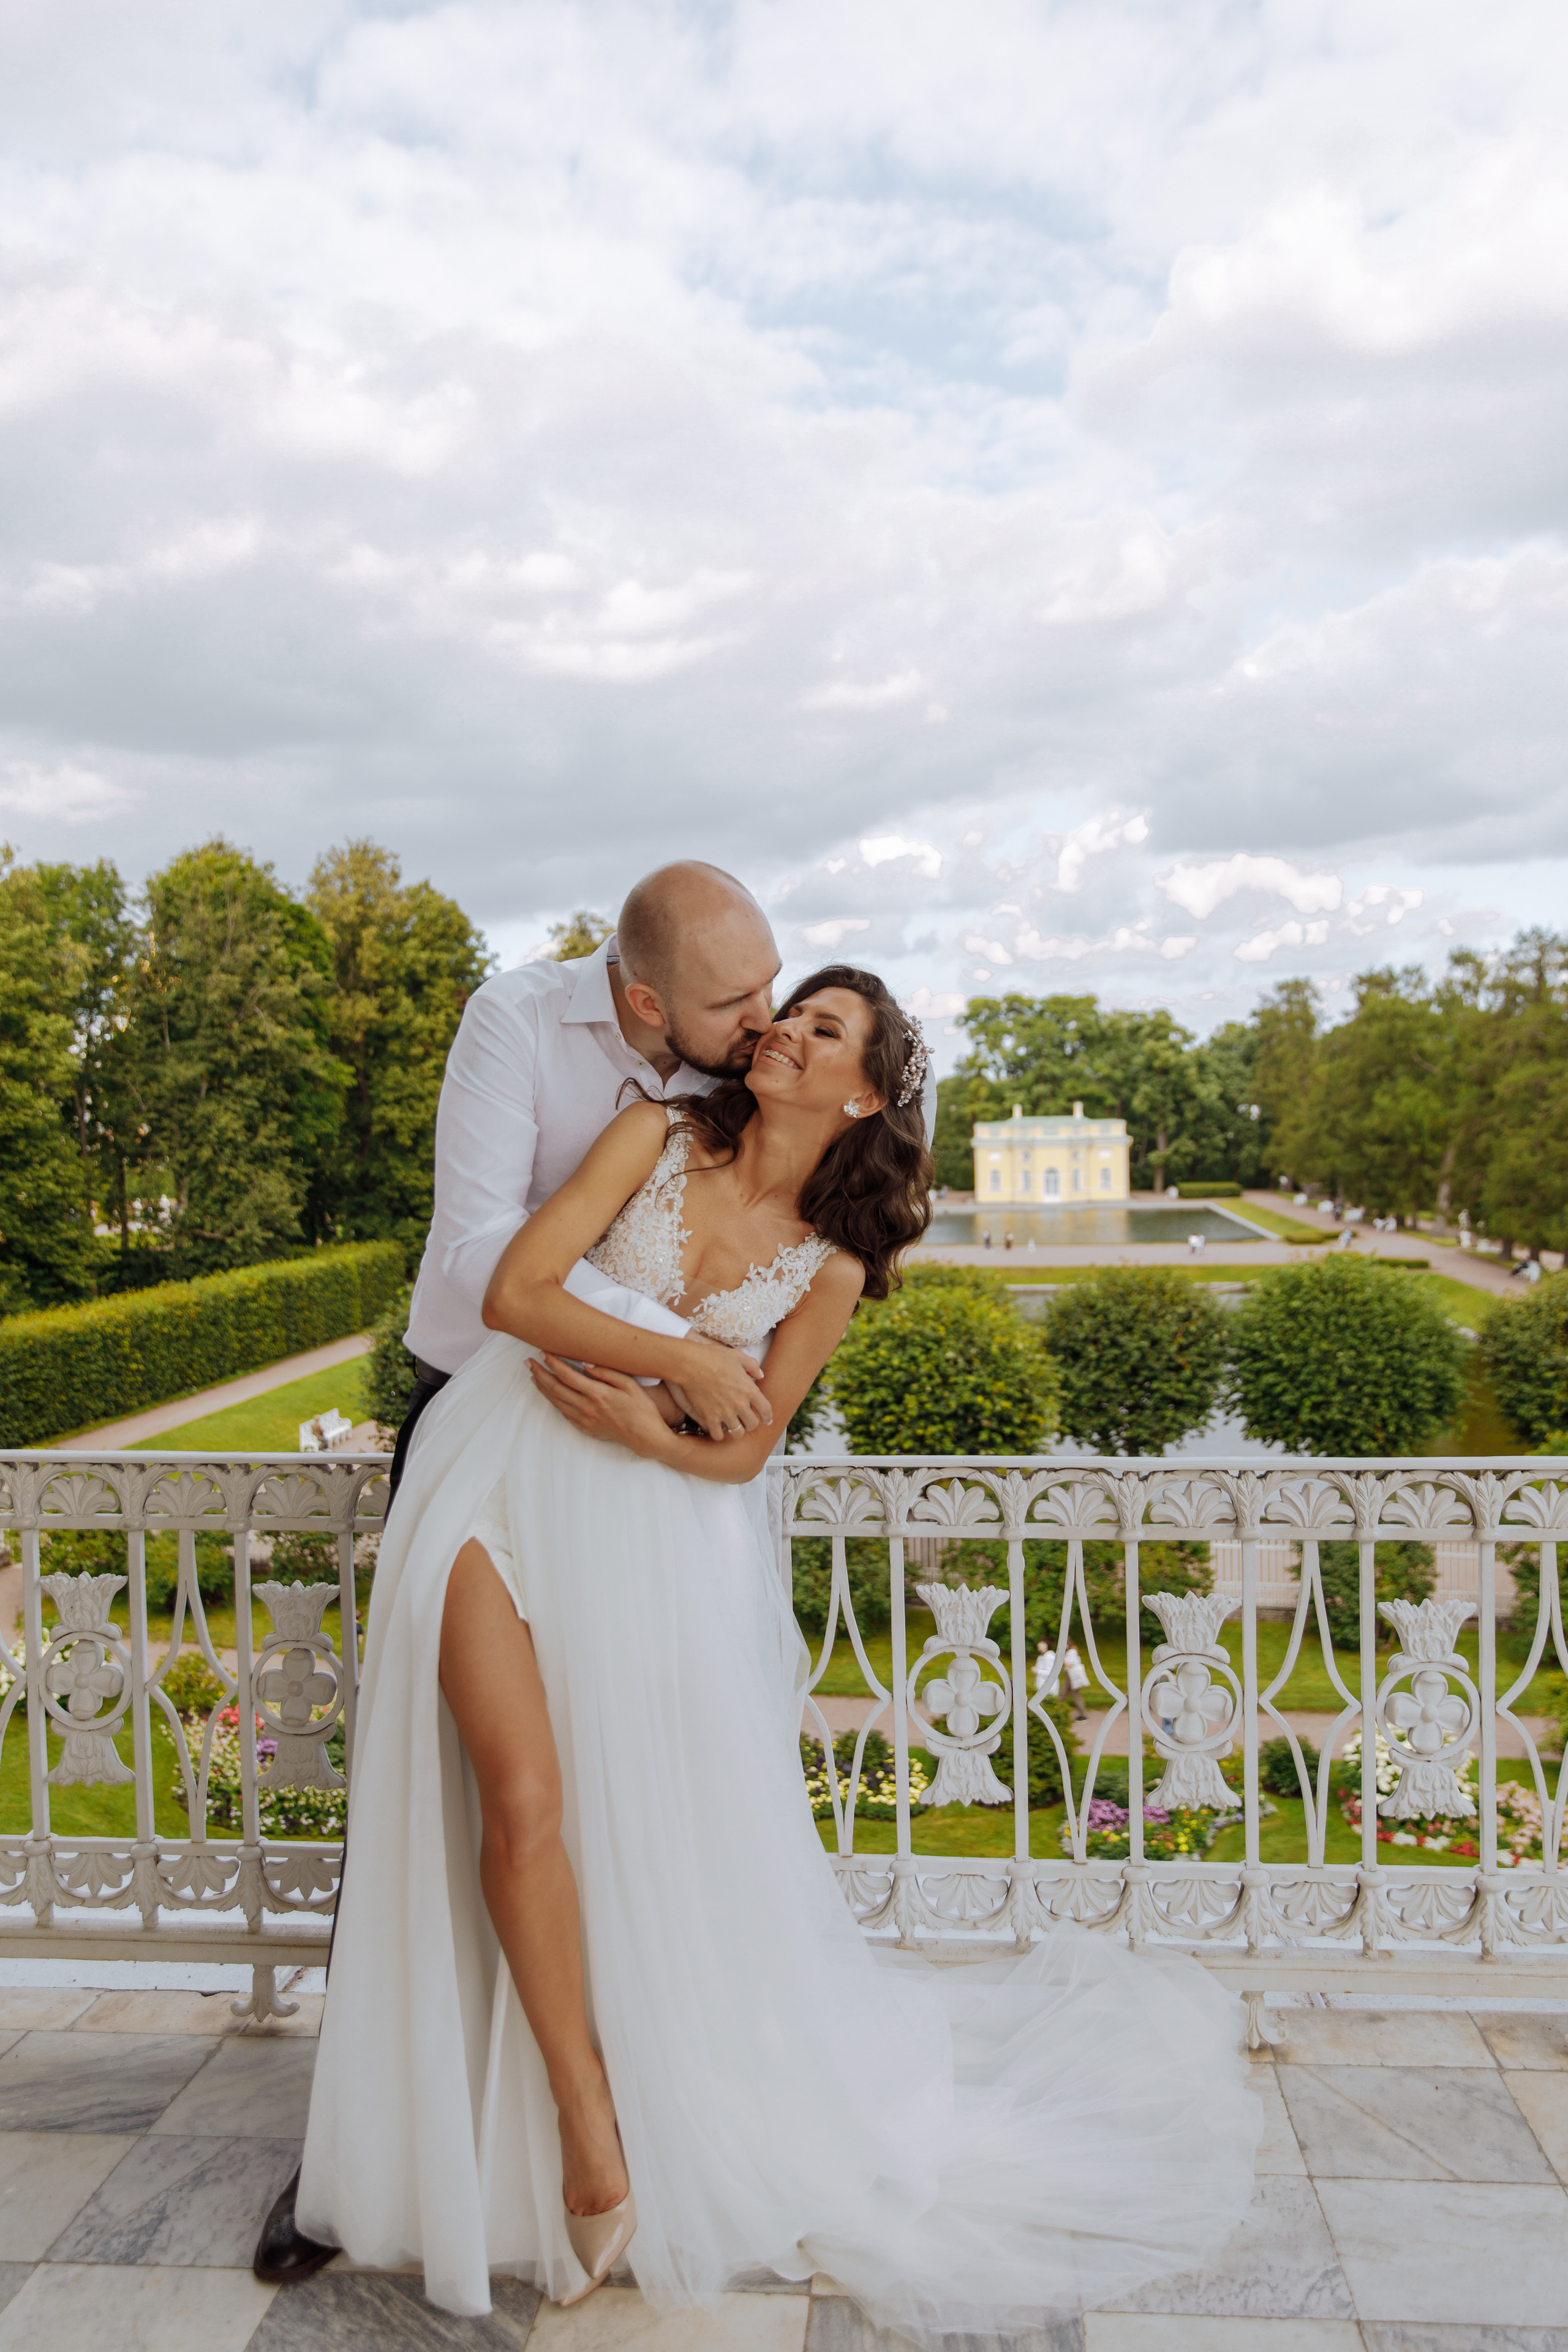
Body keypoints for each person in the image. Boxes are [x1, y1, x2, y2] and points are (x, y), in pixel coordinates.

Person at [291, 965, 1260, 2336]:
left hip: (644, 1525)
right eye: (789, 1012)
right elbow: (514, 1290)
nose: (783, 1031)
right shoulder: (652, 1136)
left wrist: (649, 1426)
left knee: (630, 1826)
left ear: (861, 1093)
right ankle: (587, 2128)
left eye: (822, 1029)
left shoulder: (834, 1264)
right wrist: (688, 1364)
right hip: (490, 1472)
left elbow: (745, 1454)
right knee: (520, 1804)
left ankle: (644, 2100)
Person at [254, 859, 782, 2284]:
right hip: (485, 1428)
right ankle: (359, 2148)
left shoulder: (754, 1065)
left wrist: (683, 1388)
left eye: (771, 982)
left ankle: (666, 2110)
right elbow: (477, 1266)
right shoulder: (517, 1025)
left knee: (640, 1796)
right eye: (733, 1000)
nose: (763, 1016)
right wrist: (667, 1345)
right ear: (642, 1001)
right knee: (434, 1796)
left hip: (643, 1465)